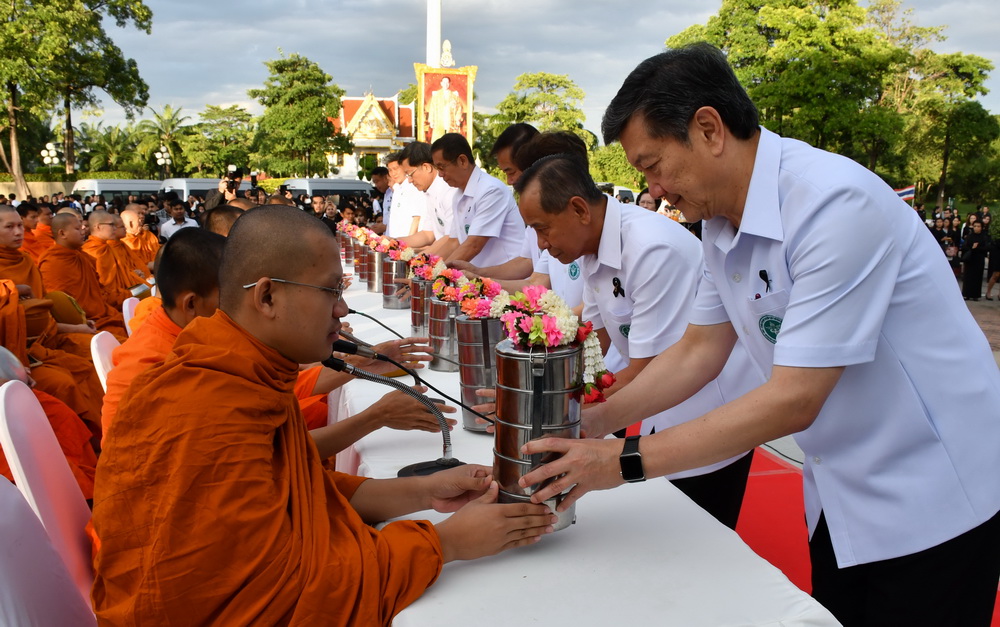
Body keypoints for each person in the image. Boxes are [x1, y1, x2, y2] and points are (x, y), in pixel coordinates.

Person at [519, 43, 1000, 626]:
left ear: (708, 128)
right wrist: (591, 422)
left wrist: (622, 460)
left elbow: (796, 396)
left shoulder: (830, 203)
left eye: (651, 165)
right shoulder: (721, 224)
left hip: (931, 494)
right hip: (841, 490)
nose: (653, 187)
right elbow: (698, 351)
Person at [91, 205, 556, 624]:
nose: (343, 309)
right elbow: (289, 591)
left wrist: (423, 491)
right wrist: (448, 543)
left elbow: (297, 488)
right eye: (330, 290)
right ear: (267, 297)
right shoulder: (205, 403)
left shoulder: (245, 370)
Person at [515, 154, 759, 528]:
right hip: (654, 407)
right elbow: (595, 348)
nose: (542, 244)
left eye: (542, 228)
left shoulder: (651, 247)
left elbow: (646, 370)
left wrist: (560, 417)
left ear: (579, 209)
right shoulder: (596, 247)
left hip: (709, 416)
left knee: (698, 538)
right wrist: (536, 393)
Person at [431, 133, 525, 266]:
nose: (440, 175)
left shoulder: (491, 190)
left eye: (442, 167)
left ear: (462, 161)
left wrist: (439, 275)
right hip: (481, 277)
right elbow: (453, 243)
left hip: (506, 277)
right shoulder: (458, 195)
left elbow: (473, 245)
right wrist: (425, 268)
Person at [37, 213, 128, 340]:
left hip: (102, 315)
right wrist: (79, 324)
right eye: (77, 229)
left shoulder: (82, 257)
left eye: (82, 227)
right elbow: (58, 305)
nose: (83, 231)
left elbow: (99, 291)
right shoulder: (52, 262)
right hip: (80, 326)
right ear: (62, 233)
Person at [81, 211, 153, 308]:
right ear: (98, 227)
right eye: (111, 225)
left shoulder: (108, 248)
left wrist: (133, 274)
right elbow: (101, 288)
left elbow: (123, 271)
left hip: (124, 294)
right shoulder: (91, 251)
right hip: (111, 301)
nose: (114, 229)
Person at [397, 141, 458, 254]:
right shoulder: (429, 192)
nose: (409, 181)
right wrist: (394, 242)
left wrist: (421, 260)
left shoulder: (448, 191)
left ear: (426, 167)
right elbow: (427, 234)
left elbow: (451, 238)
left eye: (410, 174)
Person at [425, 75, 465, 142]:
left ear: (449, 83)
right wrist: (432, 120)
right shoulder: (436, 95)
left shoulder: (454, 95)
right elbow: (432, 108)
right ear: (441, 83)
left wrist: (458, 119)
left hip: (450, 120)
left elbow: (459, 108)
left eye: (447, 83)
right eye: (444, 82)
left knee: (451, 140)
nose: (445, 84)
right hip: (439, 119)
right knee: (438, 139)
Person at [961, 220, 988, 300]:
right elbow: (964, 246)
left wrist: (978, 248)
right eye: (975, 226)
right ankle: (967, 294)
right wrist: (972, 248)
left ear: (981, 228)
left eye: (978, 226)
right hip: (970, 259)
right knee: (968, 276)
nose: (976, 228)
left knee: (977, 277)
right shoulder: (969, 236)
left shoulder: (984, 237)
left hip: (979, 258)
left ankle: (975, 295)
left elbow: (987, 247)